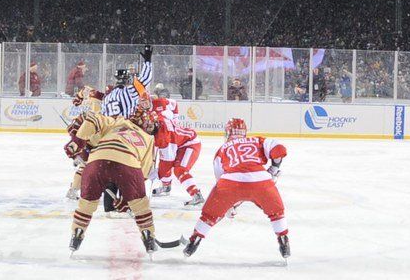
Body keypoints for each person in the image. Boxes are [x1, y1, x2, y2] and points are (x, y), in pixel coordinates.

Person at [183, 118, 290, 259]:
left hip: (230, 183)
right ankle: (283, 240)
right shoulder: (257, 140)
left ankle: (194, 241)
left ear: (228, 132)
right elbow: (279, 149)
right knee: (276, 213)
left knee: (209, 215)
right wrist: (274, 169)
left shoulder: (222, 149)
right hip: (262, 180)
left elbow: (223, 181)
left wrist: (228, 206)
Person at [64, 107, 159, 254]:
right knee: (140, 206)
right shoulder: (149, 139)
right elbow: (143, 173)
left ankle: (77, 233)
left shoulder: (118, 122)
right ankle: (148, 237)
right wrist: (127, 199)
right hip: (128, 164)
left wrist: (76, 142)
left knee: (86, 204)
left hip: (98, 160)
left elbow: (93, 119)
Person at [151, 116, 204, 206]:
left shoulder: (165, 139)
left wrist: (150, 175)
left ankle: (196, 194)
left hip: (190, 144)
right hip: (179, 142)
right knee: (163, 160)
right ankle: (166, 186)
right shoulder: (159, 121)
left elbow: (167, 164)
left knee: (179, 169)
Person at [101, 45, 152, 118]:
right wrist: (147, 61)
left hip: (108, 124)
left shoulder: (107, 98)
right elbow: (146, 78)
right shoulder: (128, 92)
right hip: (123, 124)